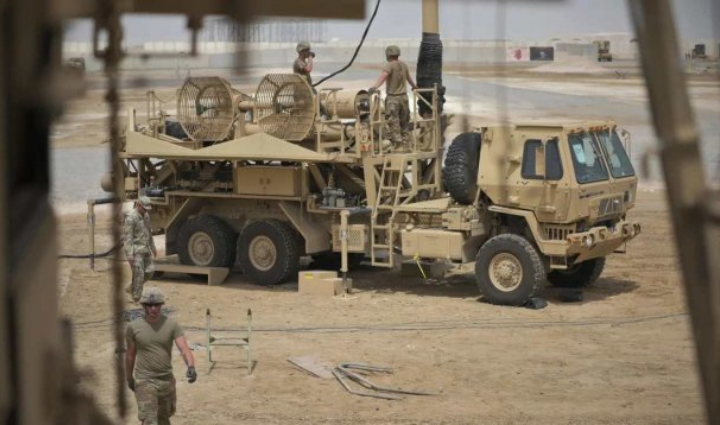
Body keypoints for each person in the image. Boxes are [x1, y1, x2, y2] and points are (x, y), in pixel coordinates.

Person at [126, 287, 196, 425]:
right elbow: (130, 355)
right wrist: (129, 378)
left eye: (157, 304)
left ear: (161, 305)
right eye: (150, 305)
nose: (153, 308)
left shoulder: (171, 325)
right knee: (150, 420)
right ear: (144, 306)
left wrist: (191, 366)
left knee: (163, 419)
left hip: (166, 380)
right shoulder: (133, 327)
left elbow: (184, 348)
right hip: (144, 380)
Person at [368, 45, 419, 152]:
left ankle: (398, 145)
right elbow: (409, 78)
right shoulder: (404, 65)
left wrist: (374, 87)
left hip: (393, 99)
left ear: (388, 54)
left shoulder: (389, 65)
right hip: (404, 98)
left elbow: (383, 76)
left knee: (393, 122)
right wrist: (415, 87)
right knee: (404, 122)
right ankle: (406, 144)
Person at [124, 196, 157, 303]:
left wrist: (153, 247)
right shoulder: (131, 218)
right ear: (138, 205)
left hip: (146, 249)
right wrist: (129, 255)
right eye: (144, 208)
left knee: (150, 271)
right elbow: (128, 238)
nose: (146, 210)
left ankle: (131, 287)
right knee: (139, 275)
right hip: (136, 251)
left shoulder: (146, 216)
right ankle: (136, 298)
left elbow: (149, 232)